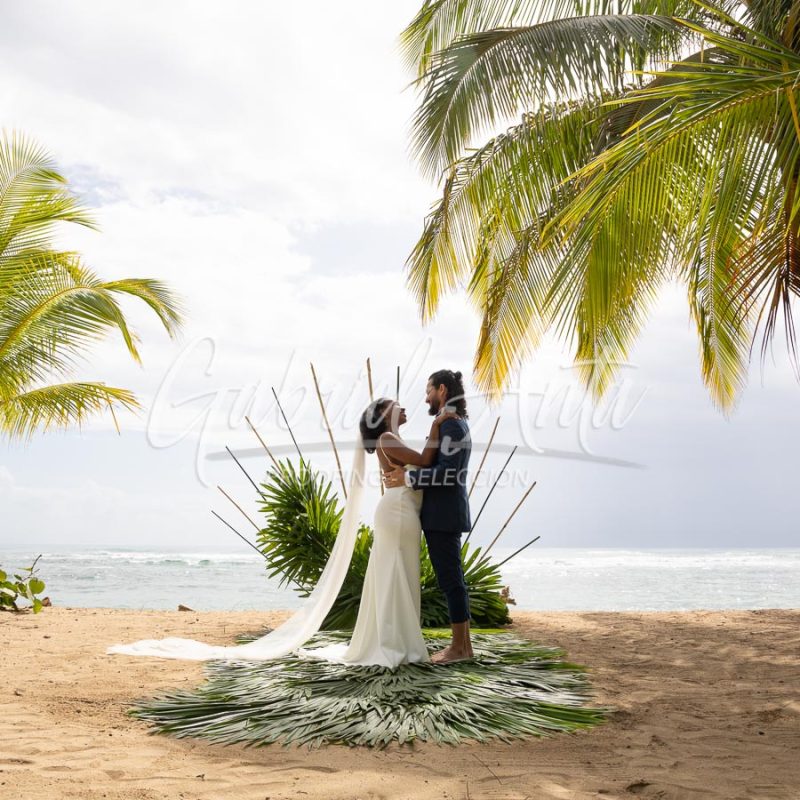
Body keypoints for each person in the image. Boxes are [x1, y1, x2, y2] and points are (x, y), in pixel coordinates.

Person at [106, 396, 455, 666]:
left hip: (402, 511)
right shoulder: (389, 438)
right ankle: (394, 643)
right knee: (394, 573)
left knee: (399, 574)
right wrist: (438, 426)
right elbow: (425, 461)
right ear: (385, 414)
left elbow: (419, 466)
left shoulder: (393, 438)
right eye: (397, 404)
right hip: (396, 512)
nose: (404, 405)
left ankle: (399, 640)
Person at [383, 369, 473, 664]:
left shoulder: (451, 426)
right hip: (441, 514)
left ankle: (460, 649)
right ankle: (463, 647)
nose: (425, 398)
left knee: (451, 581)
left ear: (443, 390)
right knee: (452, 579)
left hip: (443, 514)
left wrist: (407, 479)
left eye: (428, 391)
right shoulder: (447, 424)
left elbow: (448, 473)